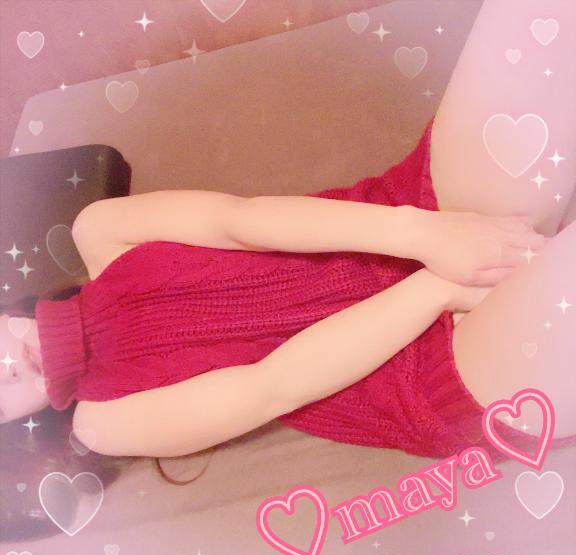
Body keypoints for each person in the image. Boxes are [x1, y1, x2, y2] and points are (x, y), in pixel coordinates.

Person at [2, 0, 576, 489]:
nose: (5, 369)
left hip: (408, 218)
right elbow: (273, 386)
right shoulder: (102, 423)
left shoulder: (99, 229)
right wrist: (438, 287)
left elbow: (240, 221)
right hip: (419, 372)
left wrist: (424, 234)